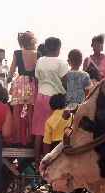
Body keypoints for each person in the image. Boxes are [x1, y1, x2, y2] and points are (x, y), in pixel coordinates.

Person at [32, 37, 68, 167]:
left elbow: (37, 78)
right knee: (56, 132)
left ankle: (37, 163)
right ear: (58, 49)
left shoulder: (40, 61)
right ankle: (54, 163)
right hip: (56, 100)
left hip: (41, 97)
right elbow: (66, 81)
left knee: (39, 132)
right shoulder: (61, 63)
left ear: (46, 48)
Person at [42, 94, 74, 193]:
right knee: (70, 179)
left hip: (55, 149)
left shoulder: (49, 120)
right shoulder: (72, 117)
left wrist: (46, 159)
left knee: (56, 179)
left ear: (51, 106)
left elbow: (46, 142)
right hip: (70, 149)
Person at [9, 31, 37, 146]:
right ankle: (30, 137)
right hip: (32, 82)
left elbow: (11, 71)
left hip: (20, 82)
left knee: (17, 111)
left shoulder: (17, 53)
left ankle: (17, 138)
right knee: (30, 111)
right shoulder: (37, 54)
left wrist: (9, 80)